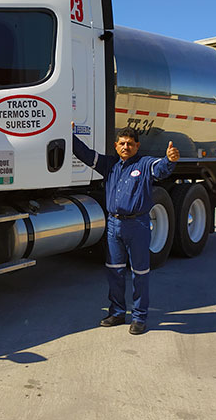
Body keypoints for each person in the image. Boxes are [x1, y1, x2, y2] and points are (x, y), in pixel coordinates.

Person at [72, 126, 179, 335]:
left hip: (137, 225)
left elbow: (160, 169)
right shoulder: (109, 165)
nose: (126, 147)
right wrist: (68, 135)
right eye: (122, 143)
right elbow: (84, 154)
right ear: (116, 145)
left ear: (137, 146)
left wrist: (170, 160)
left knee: (140, 273)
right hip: (114, 225)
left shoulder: (145, 163)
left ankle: (139, 317)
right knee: (115, 271)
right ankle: (117, 312)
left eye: (130, 144)